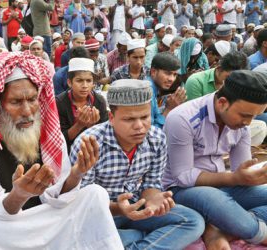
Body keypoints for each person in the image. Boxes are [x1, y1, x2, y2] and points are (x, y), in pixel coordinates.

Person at [0, 50, 123, 249]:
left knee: (95, 194)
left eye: (32, 100)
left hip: (50, 221)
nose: (27, 111)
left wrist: (76, 174)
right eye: (15, 102)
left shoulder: (49, 133)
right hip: (8, 228)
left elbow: (58, 198)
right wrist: (19, 195)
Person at [74, 79, 205, 250]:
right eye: (129, 119)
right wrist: (121, 210)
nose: (139, 126)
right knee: (89, 239)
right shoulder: (90, 143)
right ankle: (134, 238)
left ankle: (130, 241)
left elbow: (151, 183)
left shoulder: (156, 138)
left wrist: (153, 201)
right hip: (99, 215)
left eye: (145, 117)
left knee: (193, 221)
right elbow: (84, 202)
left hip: (136, 206)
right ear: (112, 118)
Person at [163, 70, 267, 249]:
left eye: (254, 116)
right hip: (179, 190)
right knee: (215, 199)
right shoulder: (182, 118)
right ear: (222, 103)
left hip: (222, 185)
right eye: (245, 115)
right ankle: (255, 231)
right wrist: (234, 178)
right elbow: (183, 176)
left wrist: (254, 174)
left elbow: (241, 169)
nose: (249, 123)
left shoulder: (241, 125)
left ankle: (220, 230)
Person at [56, 57, 107, 151]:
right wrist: (79, 124)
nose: (85, 86)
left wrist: (93, 126)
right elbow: (60, 140)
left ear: (93, 83)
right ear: (69, 83)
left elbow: (105, 135)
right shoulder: (60, 103)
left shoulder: (99, 101)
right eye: (79, 80)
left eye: (88, 81)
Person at [148, 52, 185, 128]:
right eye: (168, 73)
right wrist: (169, 109)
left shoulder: (154, 88)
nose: (171, 79)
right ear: (153, 72)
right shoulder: (147, 92)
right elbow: (150, 134)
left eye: (175, 75)